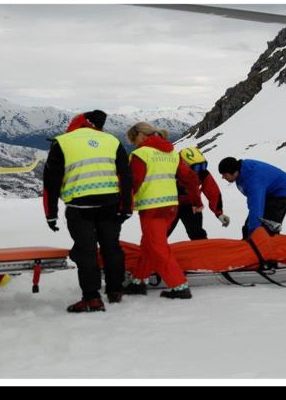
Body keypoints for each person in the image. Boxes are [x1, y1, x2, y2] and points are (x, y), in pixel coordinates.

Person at [43, 110, 132, 312]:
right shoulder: (111, 141)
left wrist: (51, 213)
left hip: (79, 207)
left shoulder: (62, 142)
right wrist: (126, 206)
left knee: (86, 252)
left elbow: (51, 183)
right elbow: (125, 176)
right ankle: (115, 291)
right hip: (110, 204)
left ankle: (92, 298)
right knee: (112, 248)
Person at [123, 122, 203, 299]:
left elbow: (133, 183)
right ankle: (138, 281)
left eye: (133, 139)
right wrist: (196, 201)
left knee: (158, 248)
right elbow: (190, 178)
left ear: (140, 136)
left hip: (152, 209)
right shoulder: (172, 153)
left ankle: (179, 286)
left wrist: (123, 207)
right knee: (149, 245)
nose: (133, 144)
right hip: (171, 208)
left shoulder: (140, 154)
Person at [218, 157, 286, 239]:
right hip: (267, 191)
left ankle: (268, 247)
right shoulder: (241, 171)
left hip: (281, 191)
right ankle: (248, 246)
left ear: (234, 172)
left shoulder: (253, 181)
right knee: (248, 227)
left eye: (224, 174)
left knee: (268, 228)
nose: (223, 177)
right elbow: (253, 200)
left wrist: (253, 234)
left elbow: (256, 206)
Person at [167, 147, 230, 240]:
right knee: (160, 234)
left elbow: (213, 192)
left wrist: (219, 213)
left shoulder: (202, 173)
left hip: (192, 206)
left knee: (197, 234)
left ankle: (204, 253)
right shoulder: (170, 172)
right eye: (195, 167)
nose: (199, 170)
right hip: (169, 205)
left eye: (202, 166)